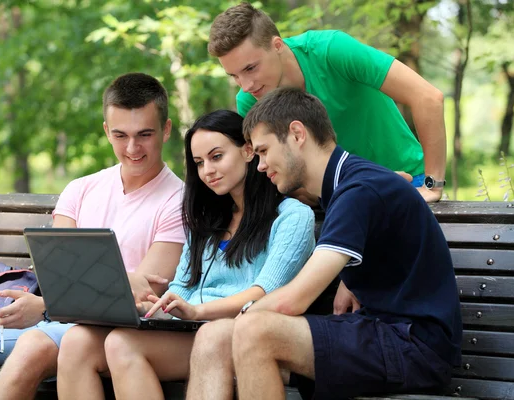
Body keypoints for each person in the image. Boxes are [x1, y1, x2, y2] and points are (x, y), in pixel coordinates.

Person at [0, 73, 186, 400]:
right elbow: (61, 277)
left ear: (166, 129)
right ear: (105, 131)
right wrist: (87, 290)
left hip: (101, 334)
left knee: (32, 346)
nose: (132, 148)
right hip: (47, 320)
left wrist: (45, 307)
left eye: (145, 134)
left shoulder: (178, 202)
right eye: (120, 135)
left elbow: (143, 295)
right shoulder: (81, 189)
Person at [194, 87, 460, 400]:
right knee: (214, 336)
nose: (261, 165)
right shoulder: (344, 186)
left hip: (413, 347)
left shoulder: (359, 189)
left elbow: (290, 302)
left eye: (264, 151)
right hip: (378, 335)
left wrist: (244, 317)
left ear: (296, 134)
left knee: (253, 332)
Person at [56, 109, 316, 400]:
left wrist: (198, 312)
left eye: (216, 157)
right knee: (105, 342)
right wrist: (152, 306)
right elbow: (182, 285)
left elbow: (265, 293)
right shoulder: (206, 220)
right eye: (199, 163)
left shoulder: (291, 217)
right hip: (191, 329)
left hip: (242, 335)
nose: (207, 171)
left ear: (247, 150)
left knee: (126, 344)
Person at [208, 2, 447, 203]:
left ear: (277, 45)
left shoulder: (332, 50)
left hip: (409, 181)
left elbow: (428, 98)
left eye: (251, 68)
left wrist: (432, 185)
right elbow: (281, 176)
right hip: (338, 197)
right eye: (235, 76)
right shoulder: (250, 102)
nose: (246, 85)